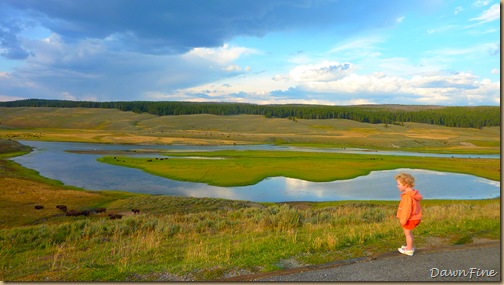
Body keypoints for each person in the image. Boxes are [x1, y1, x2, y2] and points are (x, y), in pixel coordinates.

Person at [395, 172, 422, 256]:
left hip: (410, 218)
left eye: (399, 184)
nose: (397, 186)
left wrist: (403, 221)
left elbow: (407, 210)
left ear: (405, 185)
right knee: (409, 233)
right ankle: (409, 246)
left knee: (407, 234)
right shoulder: (413, 193)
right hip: (415, 217)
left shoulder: (407, 196)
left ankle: (409, 250)